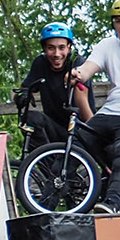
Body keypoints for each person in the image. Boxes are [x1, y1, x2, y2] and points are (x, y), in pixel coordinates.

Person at [70, 0, 120, 211]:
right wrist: (77, 74)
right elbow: (88, 68)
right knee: (75, 143)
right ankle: (49, 199)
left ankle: (112, 202)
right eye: (118, 21)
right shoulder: (107, 45)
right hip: (109, 112)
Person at [17, 21, 91, 149]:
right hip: (53, 128)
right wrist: (22, 95)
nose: (57, 54)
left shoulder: (78, 63)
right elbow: (23, 88)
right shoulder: (40, 63)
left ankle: (57, 166)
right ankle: (47, 164)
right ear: (44, 48)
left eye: (62, 48)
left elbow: (87, 115)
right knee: (30, 118)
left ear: (69, 47)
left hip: (80, 130)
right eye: (51, 48)